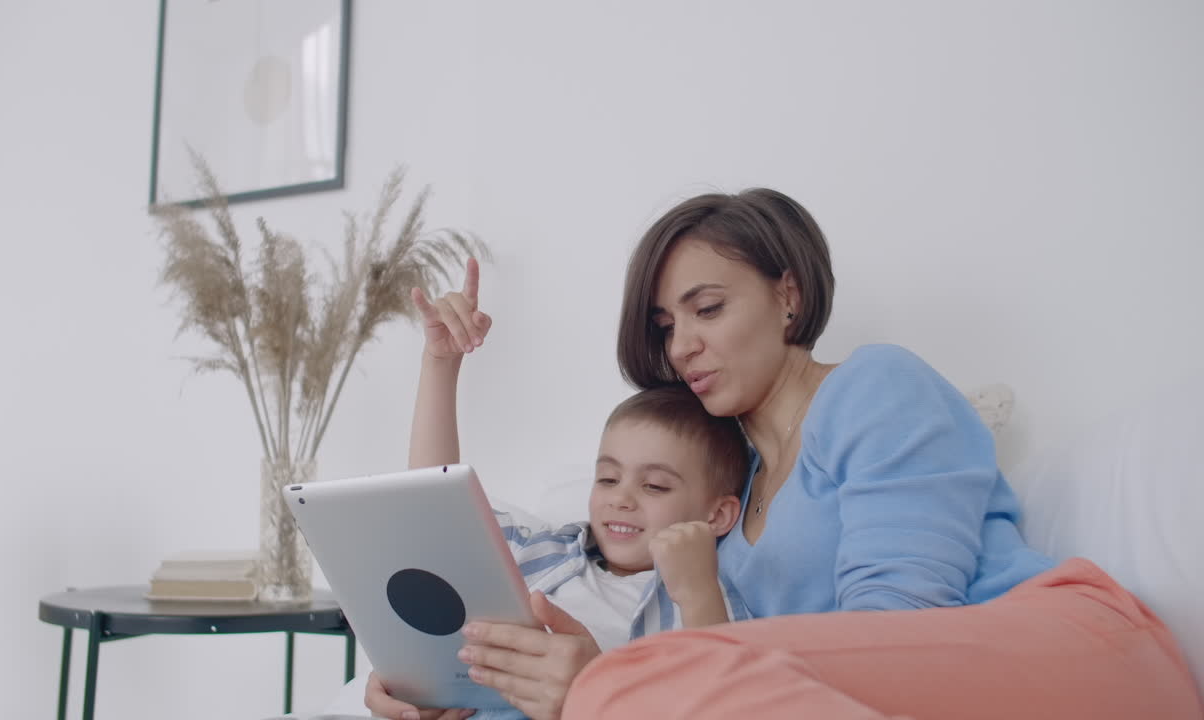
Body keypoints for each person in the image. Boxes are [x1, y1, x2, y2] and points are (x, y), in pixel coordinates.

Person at [457, 189, 1204, 720]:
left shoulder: (874, 385)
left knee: (623, 684)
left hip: (1066, 657)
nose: (682, 345)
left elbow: (901, 626)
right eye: (665, 326)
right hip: (881, 691)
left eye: (708, 308)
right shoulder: (726, 495)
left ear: (788, 295)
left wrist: (617, 685)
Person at [364, 258, 754, 720]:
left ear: (716, 515)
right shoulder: (543, 554)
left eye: (654, 486)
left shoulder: (707, 599)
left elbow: (722, 699)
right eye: (607, 478)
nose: (621, 498)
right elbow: (433, 514)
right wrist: (440, 363)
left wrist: (698, 591)